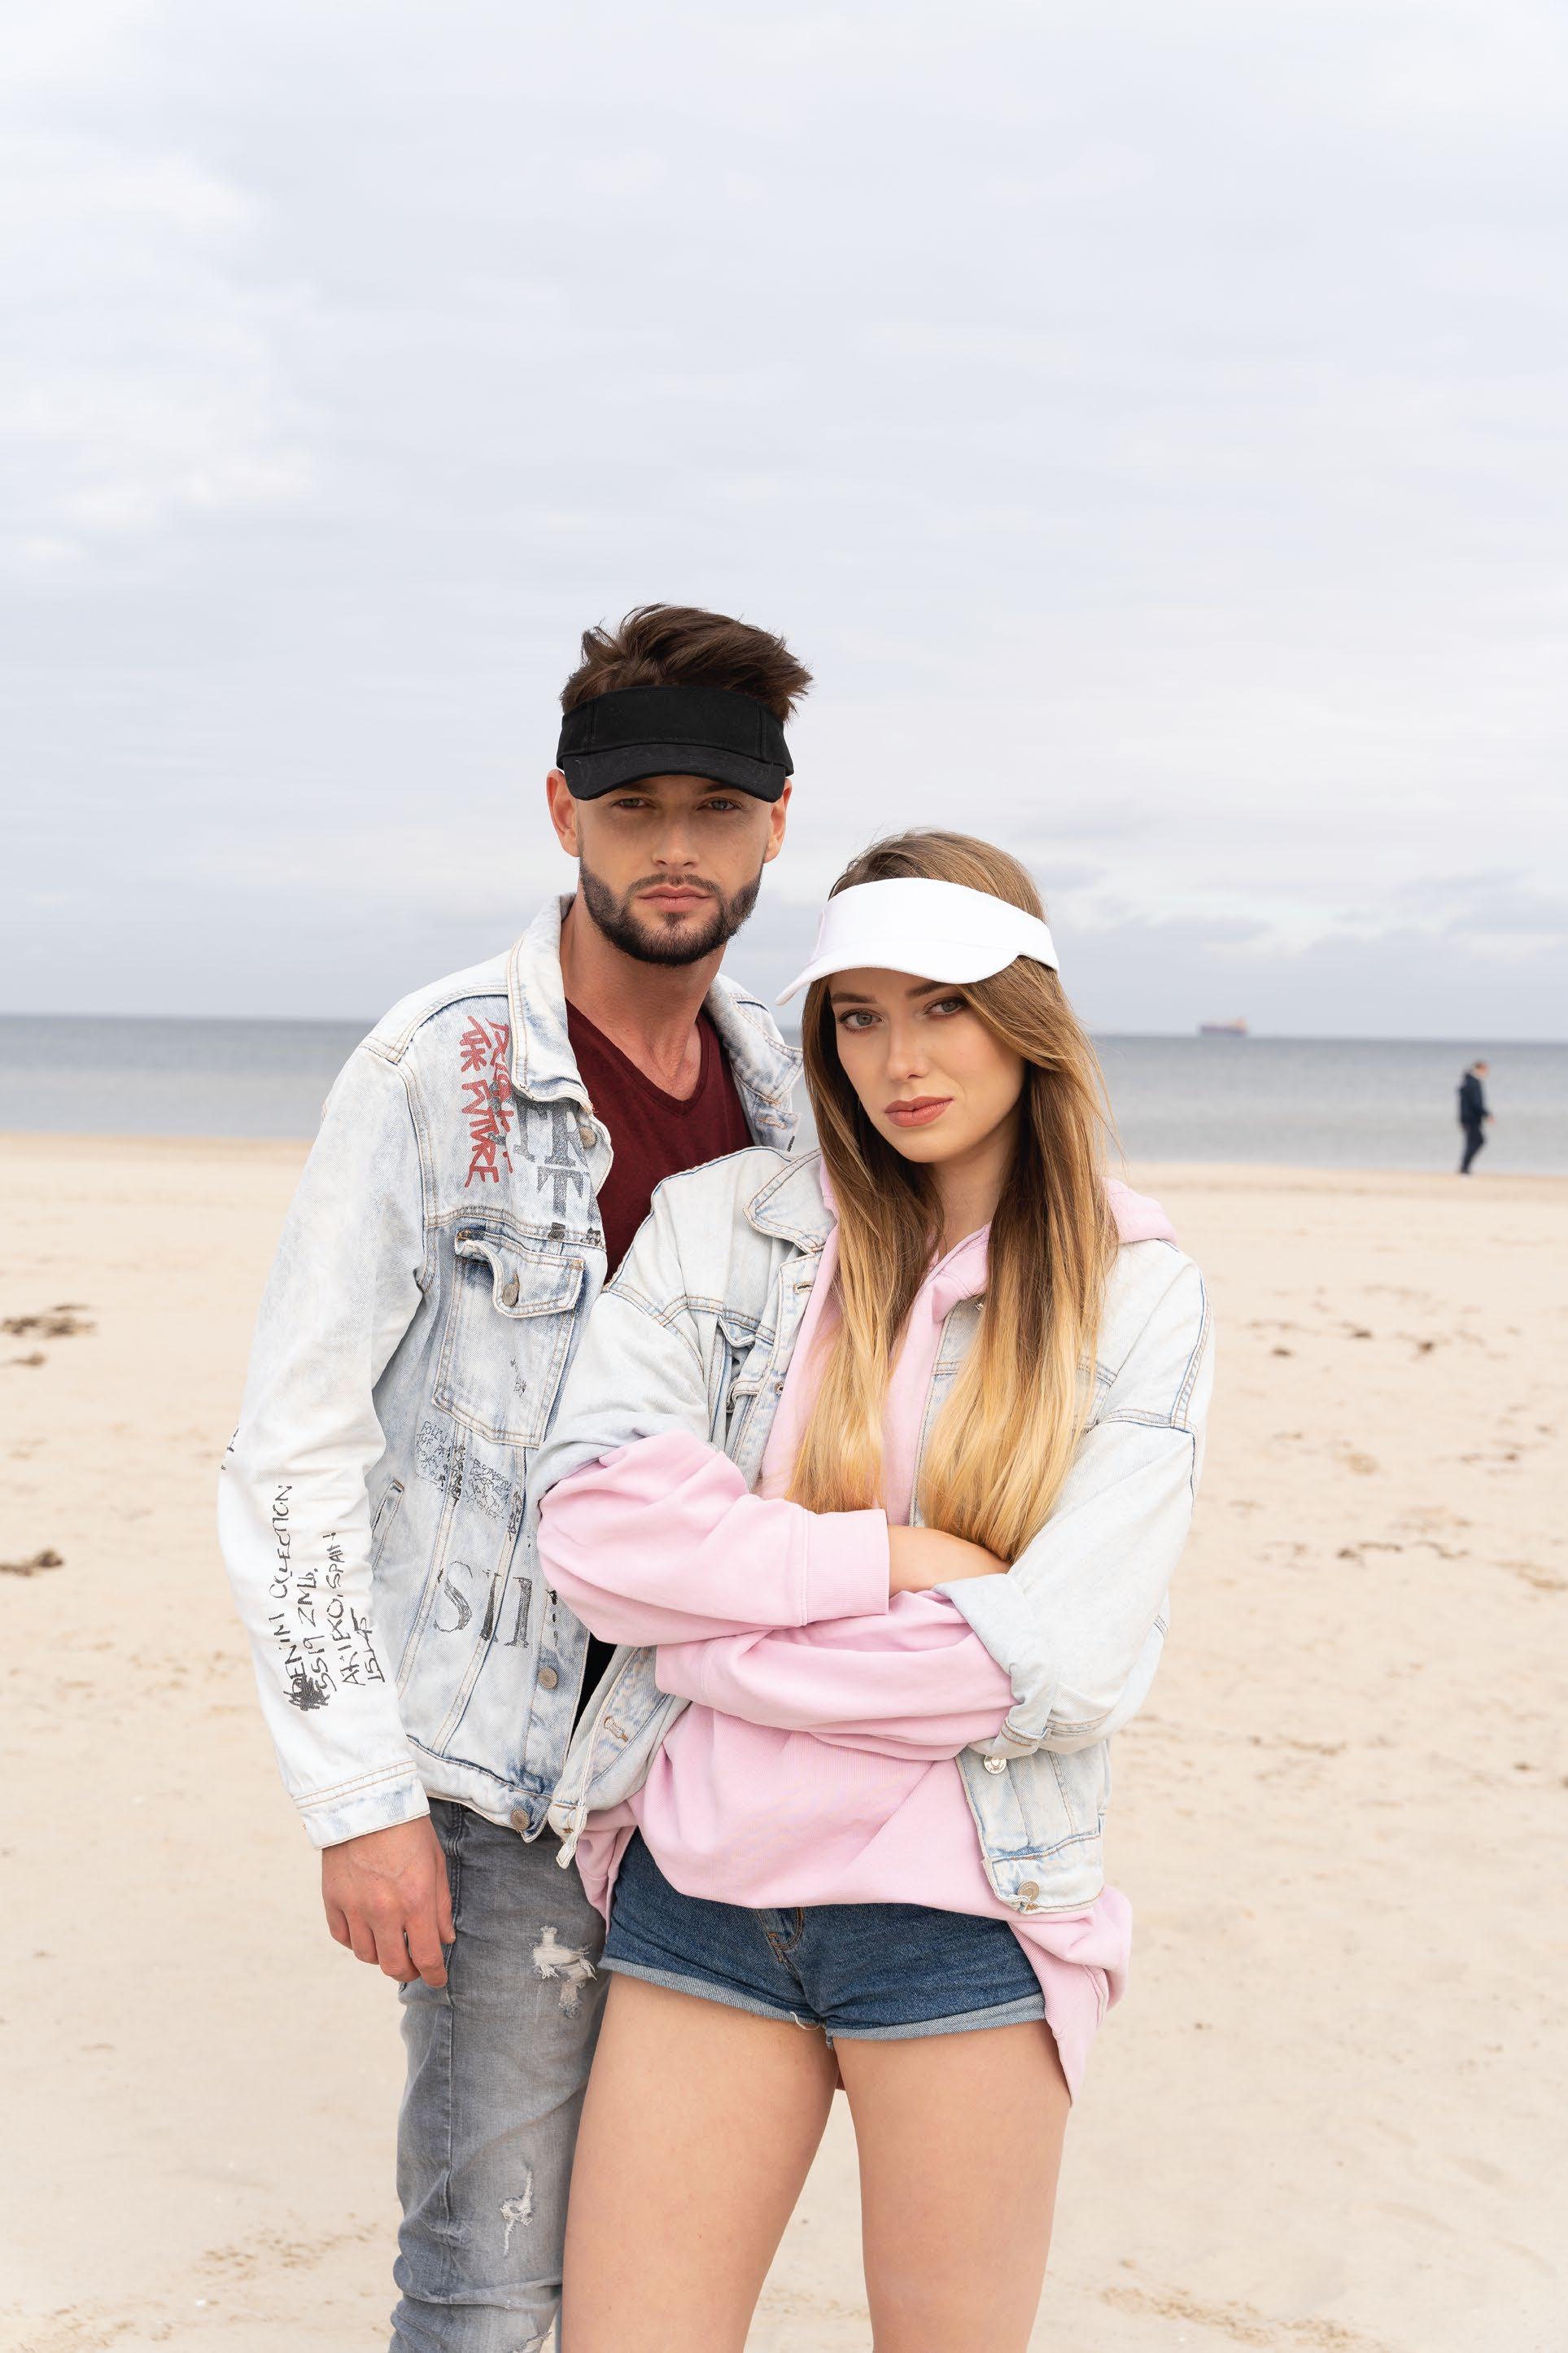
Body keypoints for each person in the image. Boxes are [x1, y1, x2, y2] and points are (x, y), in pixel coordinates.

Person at [533, 829, 1216, 2351]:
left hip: (955, 1920)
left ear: (1023, 1012)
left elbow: (1054, 1659)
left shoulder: (1136, 1291)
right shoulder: (721, 1228)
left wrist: (712, 1647)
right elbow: (591, 1533)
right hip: (702, 1899)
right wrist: (881, 1560)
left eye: (942, 1005)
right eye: (858, 1015)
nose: (899, 1058)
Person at [218, 602, 811, 2350]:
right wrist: (358, 1798)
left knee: (654, 2272)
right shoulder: (435, 1070)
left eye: (716, 809)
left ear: (776, 824)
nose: (676, 848)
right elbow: (294, 1446)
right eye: (635, 810)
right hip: (500, 1791)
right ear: (564, 812)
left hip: (717, 1772)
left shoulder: (794, 1092)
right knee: (487, 2281)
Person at [1457, 1059, 1491, 1174]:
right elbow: (1476, 1103)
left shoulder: (1467, 1081)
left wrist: (1462, 1118)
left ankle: (1465, 1167)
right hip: (1472, 1118)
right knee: (1477, 1141)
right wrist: (1486, 1114)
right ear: (1479, 1069)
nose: (1487, 1072)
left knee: (1473, 1142)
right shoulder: (1473, 1083)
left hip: (1467, 1118)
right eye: (1485, 1069)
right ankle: (1464, 1167)